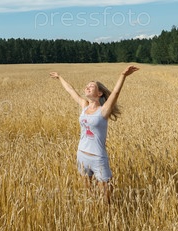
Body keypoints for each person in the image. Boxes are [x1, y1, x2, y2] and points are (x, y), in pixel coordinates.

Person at [49, 65, 139, 202]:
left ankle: (107, 214)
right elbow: (70, 90)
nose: (87, 87)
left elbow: (115, 93)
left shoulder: (103, 110)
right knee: (88, 196)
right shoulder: (84, 106)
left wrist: (123, 75)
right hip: (81, 156)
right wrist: (59, 77)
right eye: (87, 86)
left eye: (91, 86)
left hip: (98, 158)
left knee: (106, 198)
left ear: (99, 93)